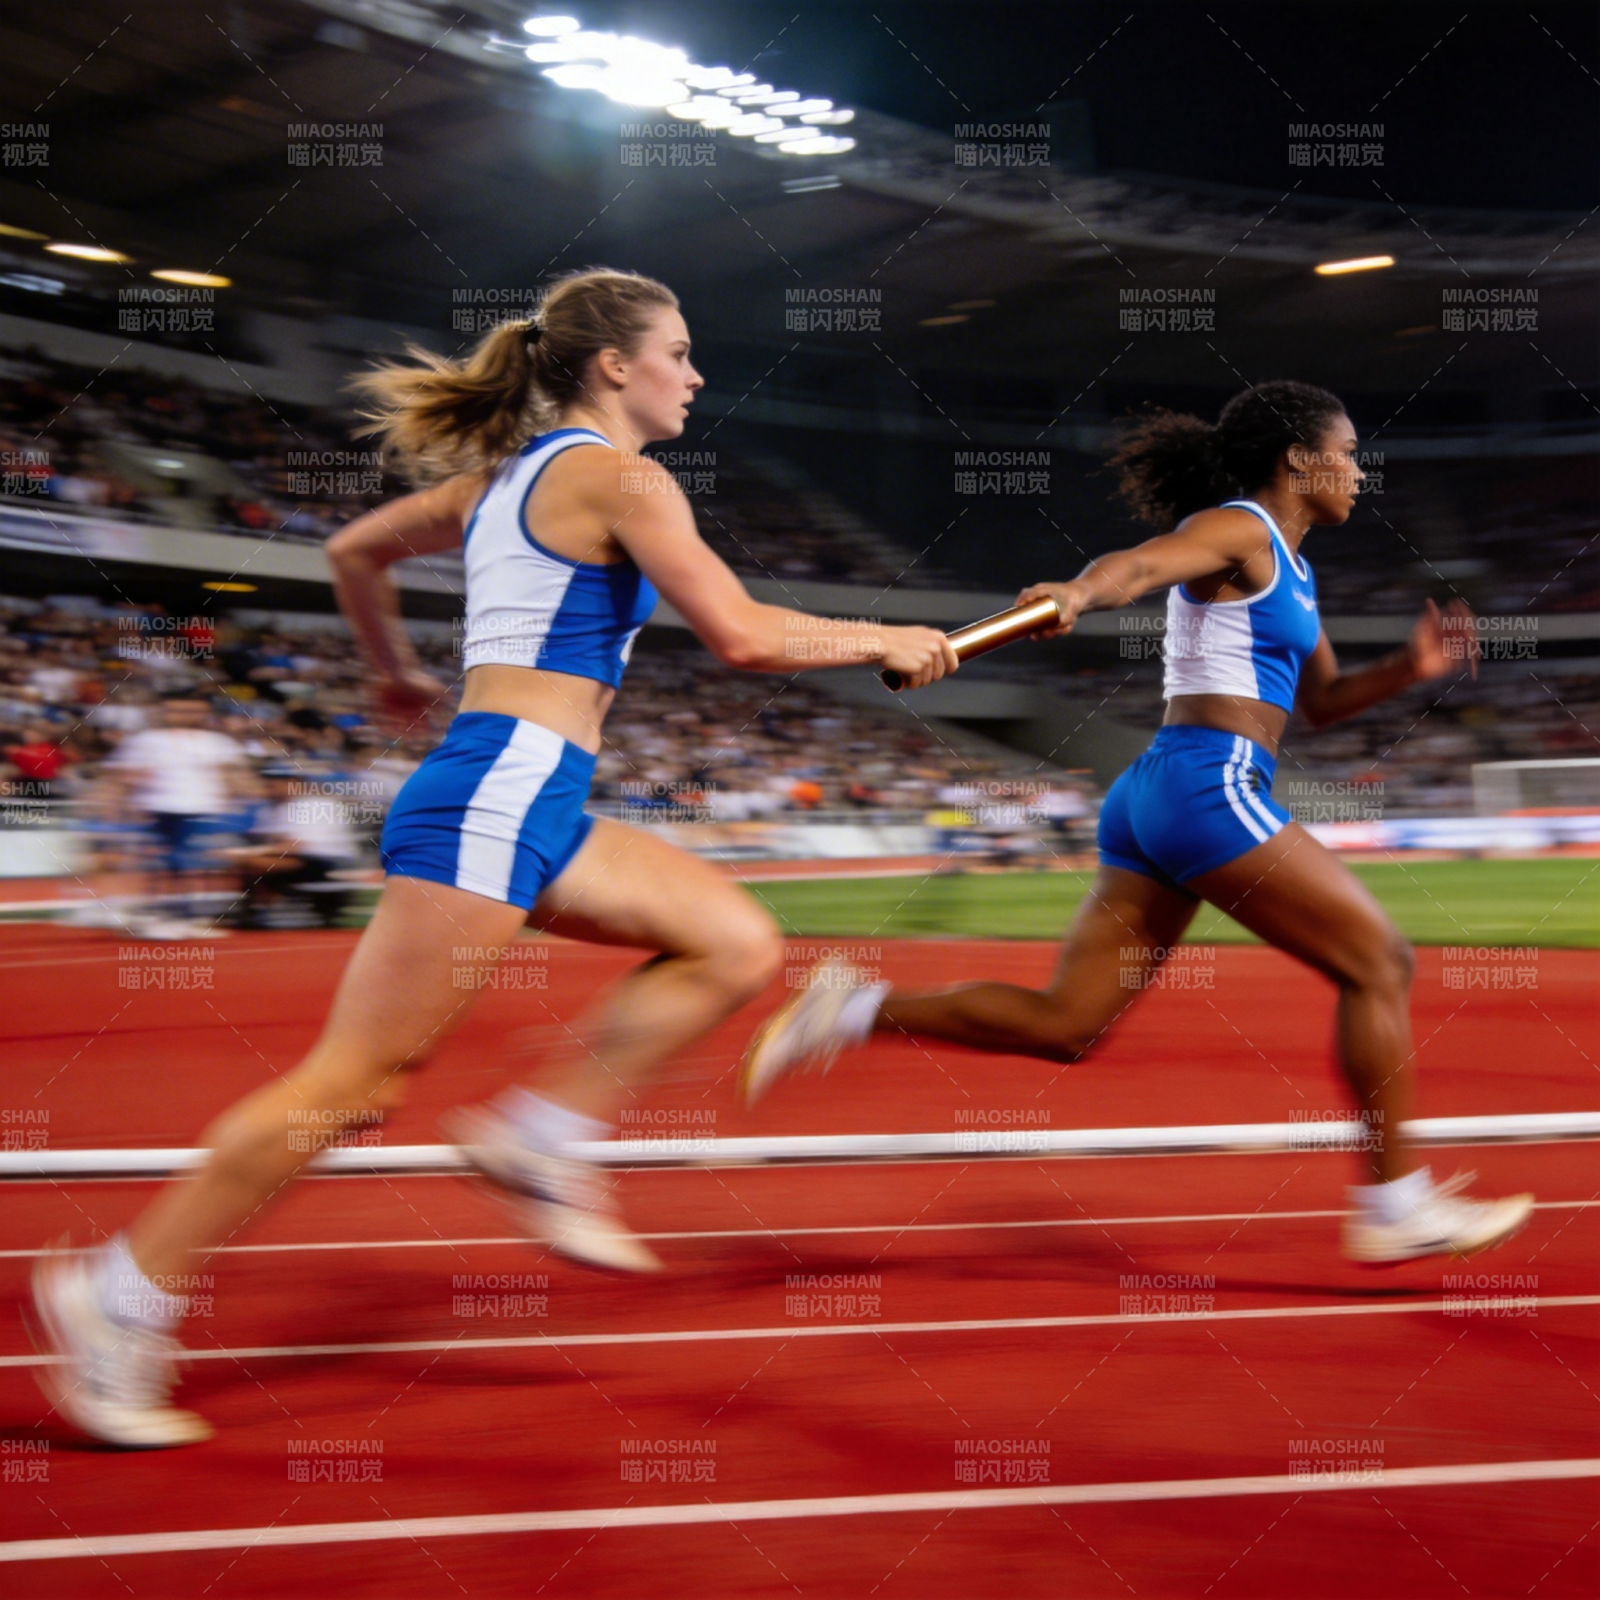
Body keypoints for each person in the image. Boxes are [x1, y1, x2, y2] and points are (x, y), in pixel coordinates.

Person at [31, 266, 956, 1448]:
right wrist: (892, 637)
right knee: (354, 1085)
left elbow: (354, 553)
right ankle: (120, 1294)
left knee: (733, 941)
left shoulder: (501, 480)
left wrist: (392, 670)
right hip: (498, 792)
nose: (696, 373)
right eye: (679, 351)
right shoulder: (623, 475)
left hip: (528, 791)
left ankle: (539, 1132)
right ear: (614, 364)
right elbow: (739, 634)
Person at [744, 380, 1533, 1267]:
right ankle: (1396, 1204)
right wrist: (1085, 588)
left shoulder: (1297, 569)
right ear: (1299, 461)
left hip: (1155, 796)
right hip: (1208, 785)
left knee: (1066, 1025)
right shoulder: (1239, 527)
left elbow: (1322, 700)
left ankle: (852, 1009)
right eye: (1346, 452)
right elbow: (1149, 562)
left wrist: (1409, 667)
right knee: (1381, 960)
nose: (1357, 470)